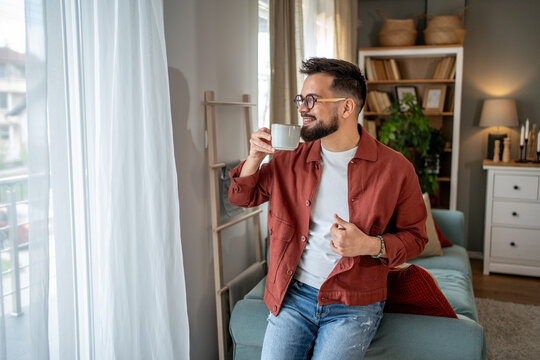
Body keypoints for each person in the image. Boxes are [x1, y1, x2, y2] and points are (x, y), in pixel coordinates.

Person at [228, 57, 428, 359]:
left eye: (312, 100)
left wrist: (369, 245)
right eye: (301, 99)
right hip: (292, 296)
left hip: (354, 305)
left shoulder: (395, 169)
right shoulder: (289, 157)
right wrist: (255, 157)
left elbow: (416, 237)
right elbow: (242, 197)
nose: (301, 108)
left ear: (346, 107)